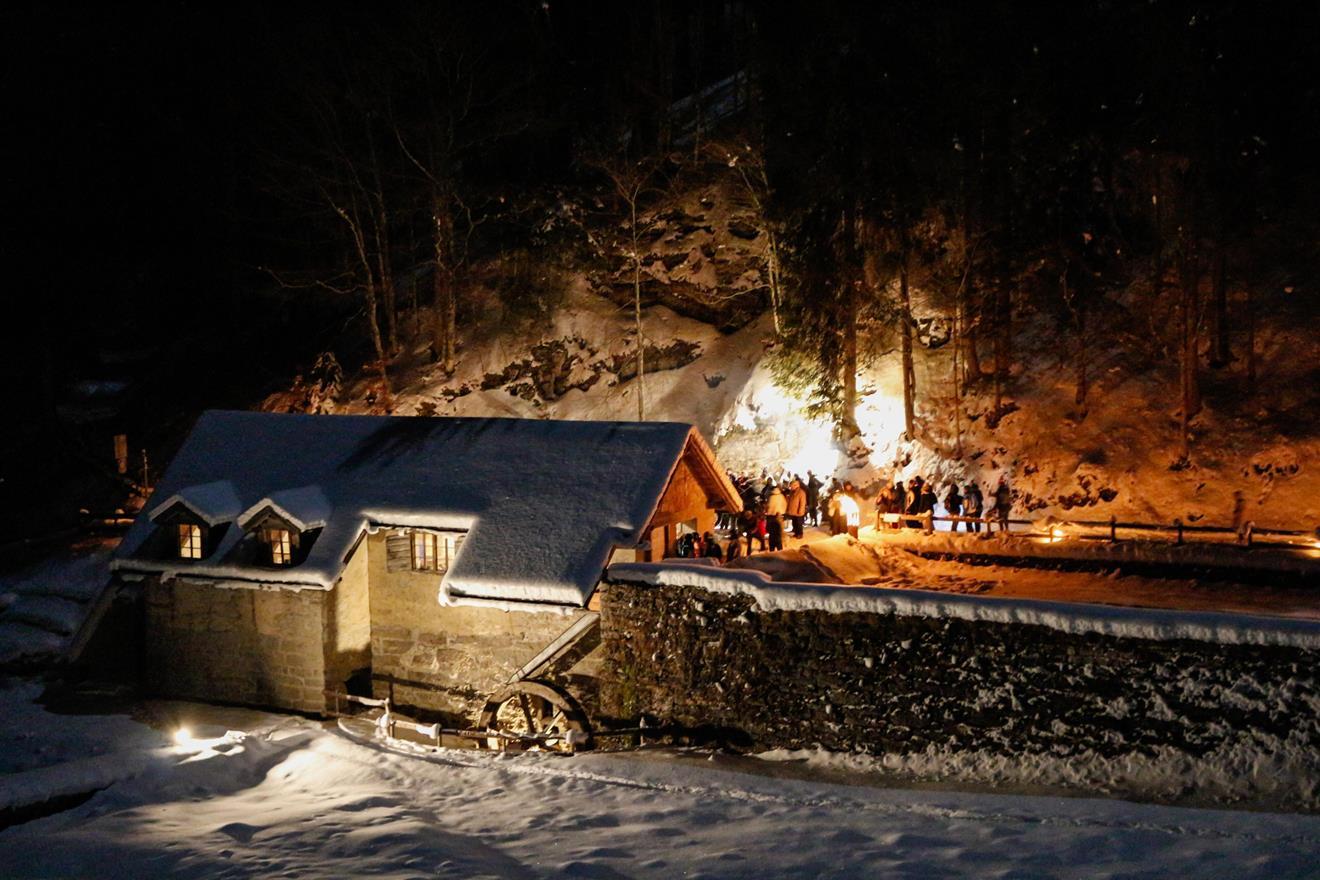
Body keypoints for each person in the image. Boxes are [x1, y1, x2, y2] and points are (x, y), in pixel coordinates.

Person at [765, 484, 787, 551]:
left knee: (772, 530)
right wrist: (783, 511)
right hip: (779, 514)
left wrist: (768, 511)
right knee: (779, 529)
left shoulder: (771, 497)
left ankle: (772, 547)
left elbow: (768, 505)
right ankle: (781, 543)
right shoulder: (781, 496)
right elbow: (784, 504)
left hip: (771, 514)